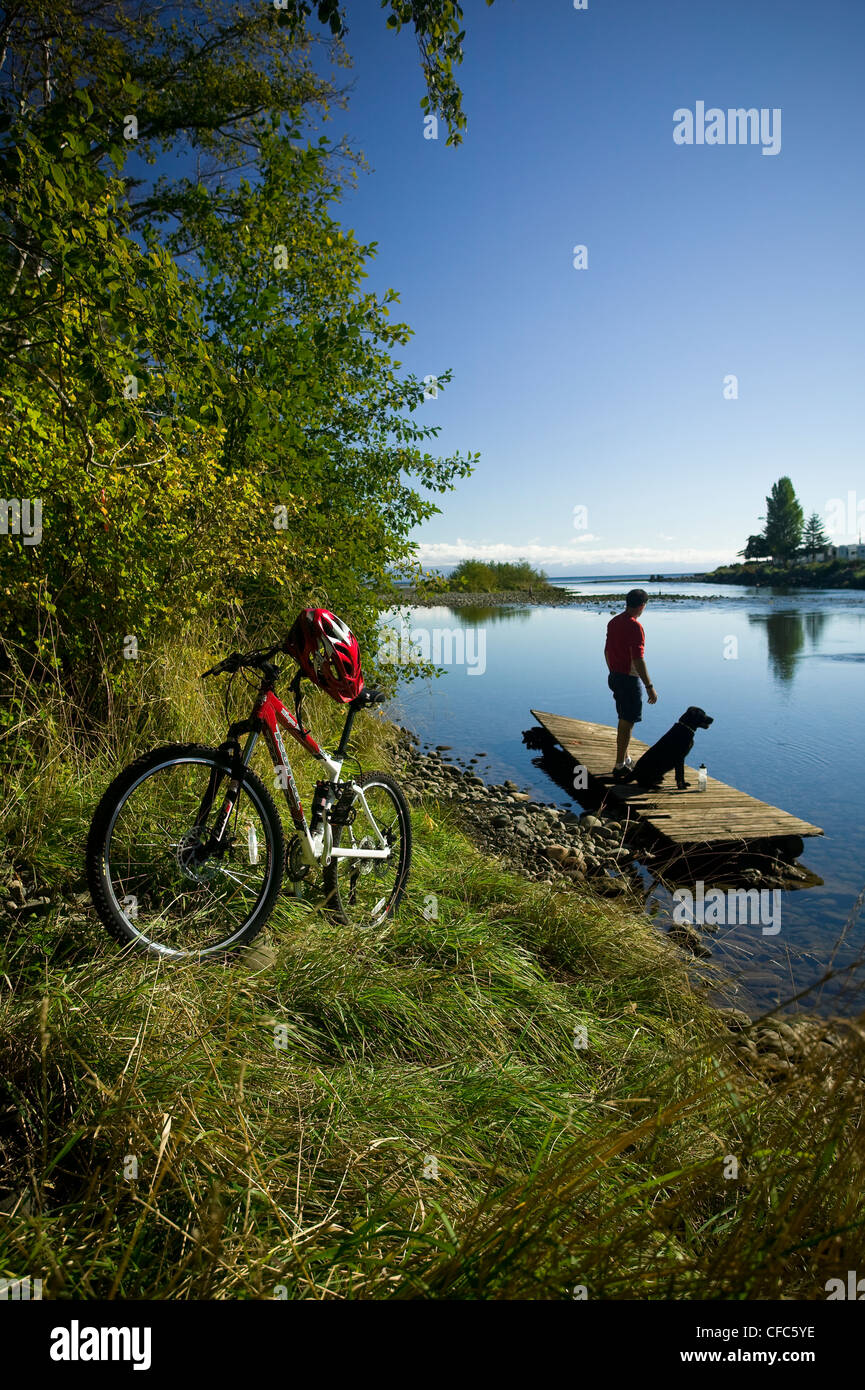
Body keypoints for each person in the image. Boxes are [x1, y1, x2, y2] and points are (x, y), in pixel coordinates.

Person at [604, 588, 658, 778]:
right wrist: (649, 686)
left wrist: (612, 672)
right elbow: (638, 660)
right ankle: (619, 764)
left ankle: (625, 758)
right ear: (642, 606)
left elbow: (607, 651)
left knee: (623, 717)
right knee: (628, 721)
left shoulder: (613, 622)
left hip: (614, 676)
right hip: (628, 679)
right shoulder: (635, 626)